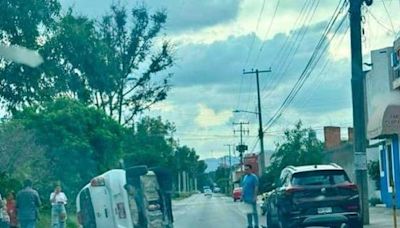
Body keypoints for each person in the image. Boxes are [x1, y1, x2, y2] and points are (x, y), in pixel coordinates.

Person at [241, 164, 259, 228]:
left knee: (254, 212)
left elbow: (256, 187)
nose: (246, 171)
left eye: (247, 169)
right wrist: (242, 194)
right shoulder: (245, 177)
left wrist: (254, 196)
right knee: (248, 212)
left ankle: (256, 225)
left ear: (250, 170)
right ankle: (250, 225)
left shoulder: (254, 177)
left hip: (252, 197)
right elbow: (244, 186)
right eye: (245, 169)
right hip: (246, 198)